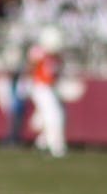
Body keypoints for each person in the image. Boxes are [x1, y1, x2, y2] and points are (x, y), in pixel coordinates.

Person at [27, 24, 67, 157]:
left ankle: (42, 142)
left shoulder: (56, 57)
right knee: (54, 115)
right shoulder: (39, 52)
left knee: (51, 116)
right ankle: (56, 146)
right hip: (41, 87)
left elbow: (56, 74)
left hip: (49, 88)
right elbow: (32, 62)